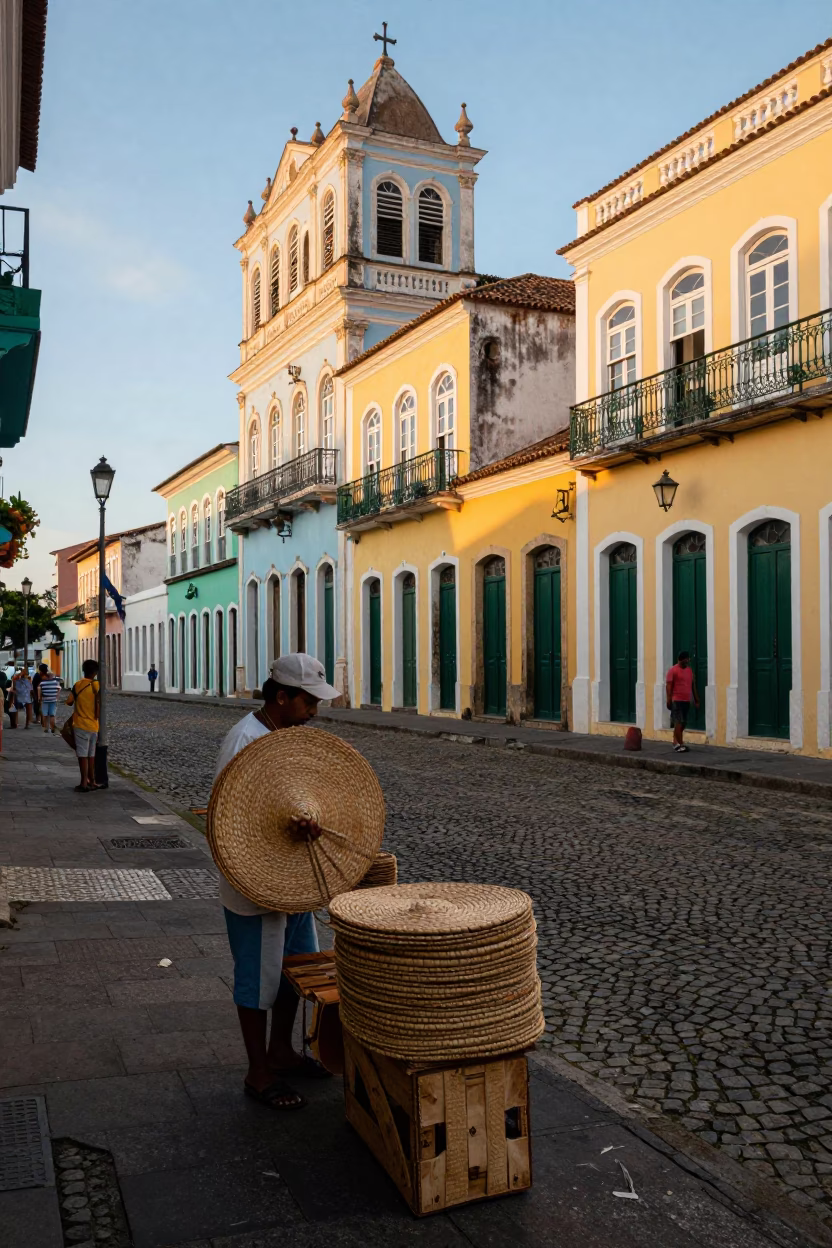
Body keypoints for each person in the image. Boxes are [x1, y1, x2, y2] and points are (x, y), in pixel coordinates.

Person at [213, 653, 339, 1112]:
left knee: (294, 968)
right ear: (281, 697)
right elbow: (234, 820)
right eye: (308, 702)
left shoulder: (283, 736)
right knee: (257, 977)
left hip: (291, 878)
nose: (315, 711)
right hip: (253, 881)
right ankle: (257, 1071)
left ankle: (281, 1052)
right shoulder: (246, 741)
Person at [65, 659, 101, 791]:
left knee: (82, 755)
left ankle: (83, 783)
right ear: (96, 673)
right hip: (94, 725)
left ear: (83, 670)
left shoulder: (78, 685)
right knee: (91, 755)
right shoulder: (97, 685)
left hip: (80, 725)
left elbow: (69, 702)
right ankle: (92, 781)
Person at [666, 649, 700, 752]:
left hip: (686, 700)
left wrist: (696, 699)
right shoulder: (673, 670)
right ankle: (680, 744)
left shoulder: (689, 671)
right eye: (686, 659)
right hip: (676, 700)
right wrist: (668, 700)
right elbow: (668, 686)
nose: (688, 661)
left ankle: (675, 742)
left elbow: (692, 686)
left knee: (683, 722)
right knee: (678, 722)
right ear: (681, 660)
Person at [38, 669, 61, 734]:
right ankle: (52, 728)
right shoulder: (56, 682)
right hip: (53, 700)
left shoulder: (42, 683)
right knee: (52, 714)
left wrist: (39, 698)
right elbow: (59, 689)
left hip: (45, 700)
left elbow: (39, 690)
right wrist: (57, 697)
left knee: (45, 714)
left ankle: (45, 728)